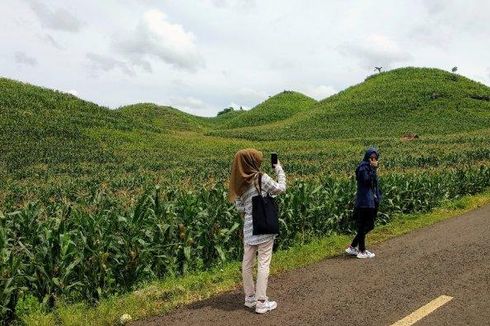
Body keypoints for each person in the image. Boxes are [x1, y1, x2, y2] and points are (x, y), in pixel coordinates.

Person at [228, 148, 286, 314]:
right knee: (263, 262)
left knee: (247, 263)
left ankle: (250, 298)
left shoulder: (239, 183)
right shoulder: (261, 177)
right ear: (251, 162)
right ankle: (261, 302)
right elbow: (280, 189)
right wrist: (279, 169)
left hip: (249, 229)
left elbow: (240, 208)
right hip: (264, 227)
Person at [345, 147, 382, 259]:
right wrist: (373, 169)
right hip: (364, 201)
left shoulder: (368, 167)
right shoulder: (363, 168)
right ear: (367, 157)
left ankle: (352, 247)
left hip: (369, 200)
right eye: (371, 157)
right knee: (366, 225)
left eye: (375, 158)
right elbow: (366, 181)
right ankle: (362, 250)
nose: (373, 160)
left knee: (367, 226)